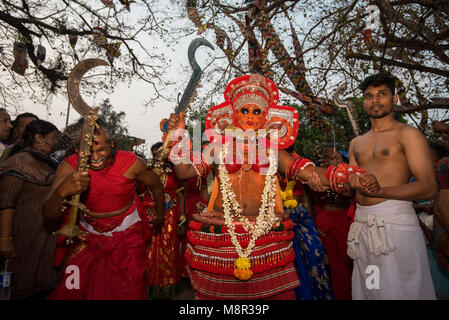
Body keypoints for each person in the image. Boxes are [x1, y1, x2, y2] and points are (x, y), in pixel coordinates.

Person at [165, 74, 375, 300]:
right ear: (233, 114)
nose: (250, 117)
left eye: (257, 112)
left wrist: (347, 176)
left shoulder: (272, 150)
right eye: (244, 110)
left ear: (265, 117)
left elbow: (308, 172)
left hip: (265, 238)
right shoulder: (218, 147)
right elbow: (184, 171)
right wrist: (177, 136)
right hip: (221, 237)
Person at [336, 73, 437, 299]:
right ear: (363, 102)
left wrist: (381, 191)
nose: (375, 100)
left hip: (395, 225)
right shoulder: (356, 143)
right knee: (372, 288)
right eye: (369, 96)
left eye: (382, 94)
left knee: (405, 290)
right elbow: (351, 186)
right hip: (362, 226)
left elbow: (429, 187)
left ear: (394, 99)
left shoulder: (407, 134)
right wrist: (344, 181)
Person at [41, 118, 165, 300]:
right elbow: (47, 214)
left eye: (101, 149)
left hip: (128, 235)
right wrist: (61, 192)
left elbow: (156, 186)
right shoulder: (68, 166)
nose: (95, 157)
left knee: (129, 290)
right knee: (74, 287)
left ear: (112, 144)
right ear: (77, 149)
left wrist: (160, 215)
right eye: (87, 151)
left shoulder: (132, 162)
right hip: (86, 235)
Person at [0, 119, 62, 299]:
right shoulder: (18, 163)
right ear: (39, 138)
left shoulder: (47, 163)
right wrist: (4, 239)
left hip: (43, 240)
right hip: (21, 239)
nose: (56, 142)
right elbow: (6, 202)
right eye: (54, 138)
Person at [138, 142, 184, 299]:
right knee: (149, 248)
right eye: (157, 152)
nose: (160, 155)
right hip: (149, 213)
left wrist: (182, 217)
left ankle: (167, 286)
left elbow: (179, 194)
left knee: (169, 248)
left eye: (163, 152)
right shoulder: (146, 171)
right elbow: (138, 193)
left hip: (170, 215)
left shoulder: (173, 172)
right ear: (153, 154)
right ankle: (148, 285)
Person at [309, 145, 353, 300]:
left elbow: (350, 195)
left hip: (343, 223)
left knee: (345, 265)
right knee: (327, 265)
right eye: (326, 157)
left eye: (334, 157)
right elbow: (309, 201)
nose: (329, 160)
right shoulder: (314, 174)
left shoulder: (348, 174)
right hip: (322, 224)